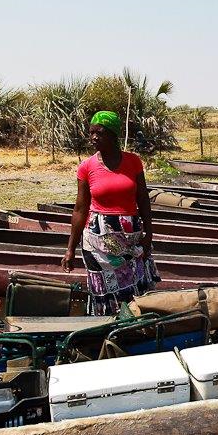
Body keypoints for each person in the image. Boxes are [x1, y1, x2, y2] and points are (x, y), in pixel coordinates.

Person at [60, 111, 160, 316]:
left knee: (135, 289)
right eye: (91, 133)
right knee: (103, 294)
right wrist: (70, 248)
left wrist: (149, 235)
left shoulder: (133, 162)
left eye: (100, 133)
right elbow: (80, 208)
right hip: (97, 242)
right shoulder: (86, 166)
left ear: (114, 135)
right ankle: (106, 328)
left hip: (130, 239)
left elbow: (143, 200)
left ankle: (134, 329)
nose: (94, 137)